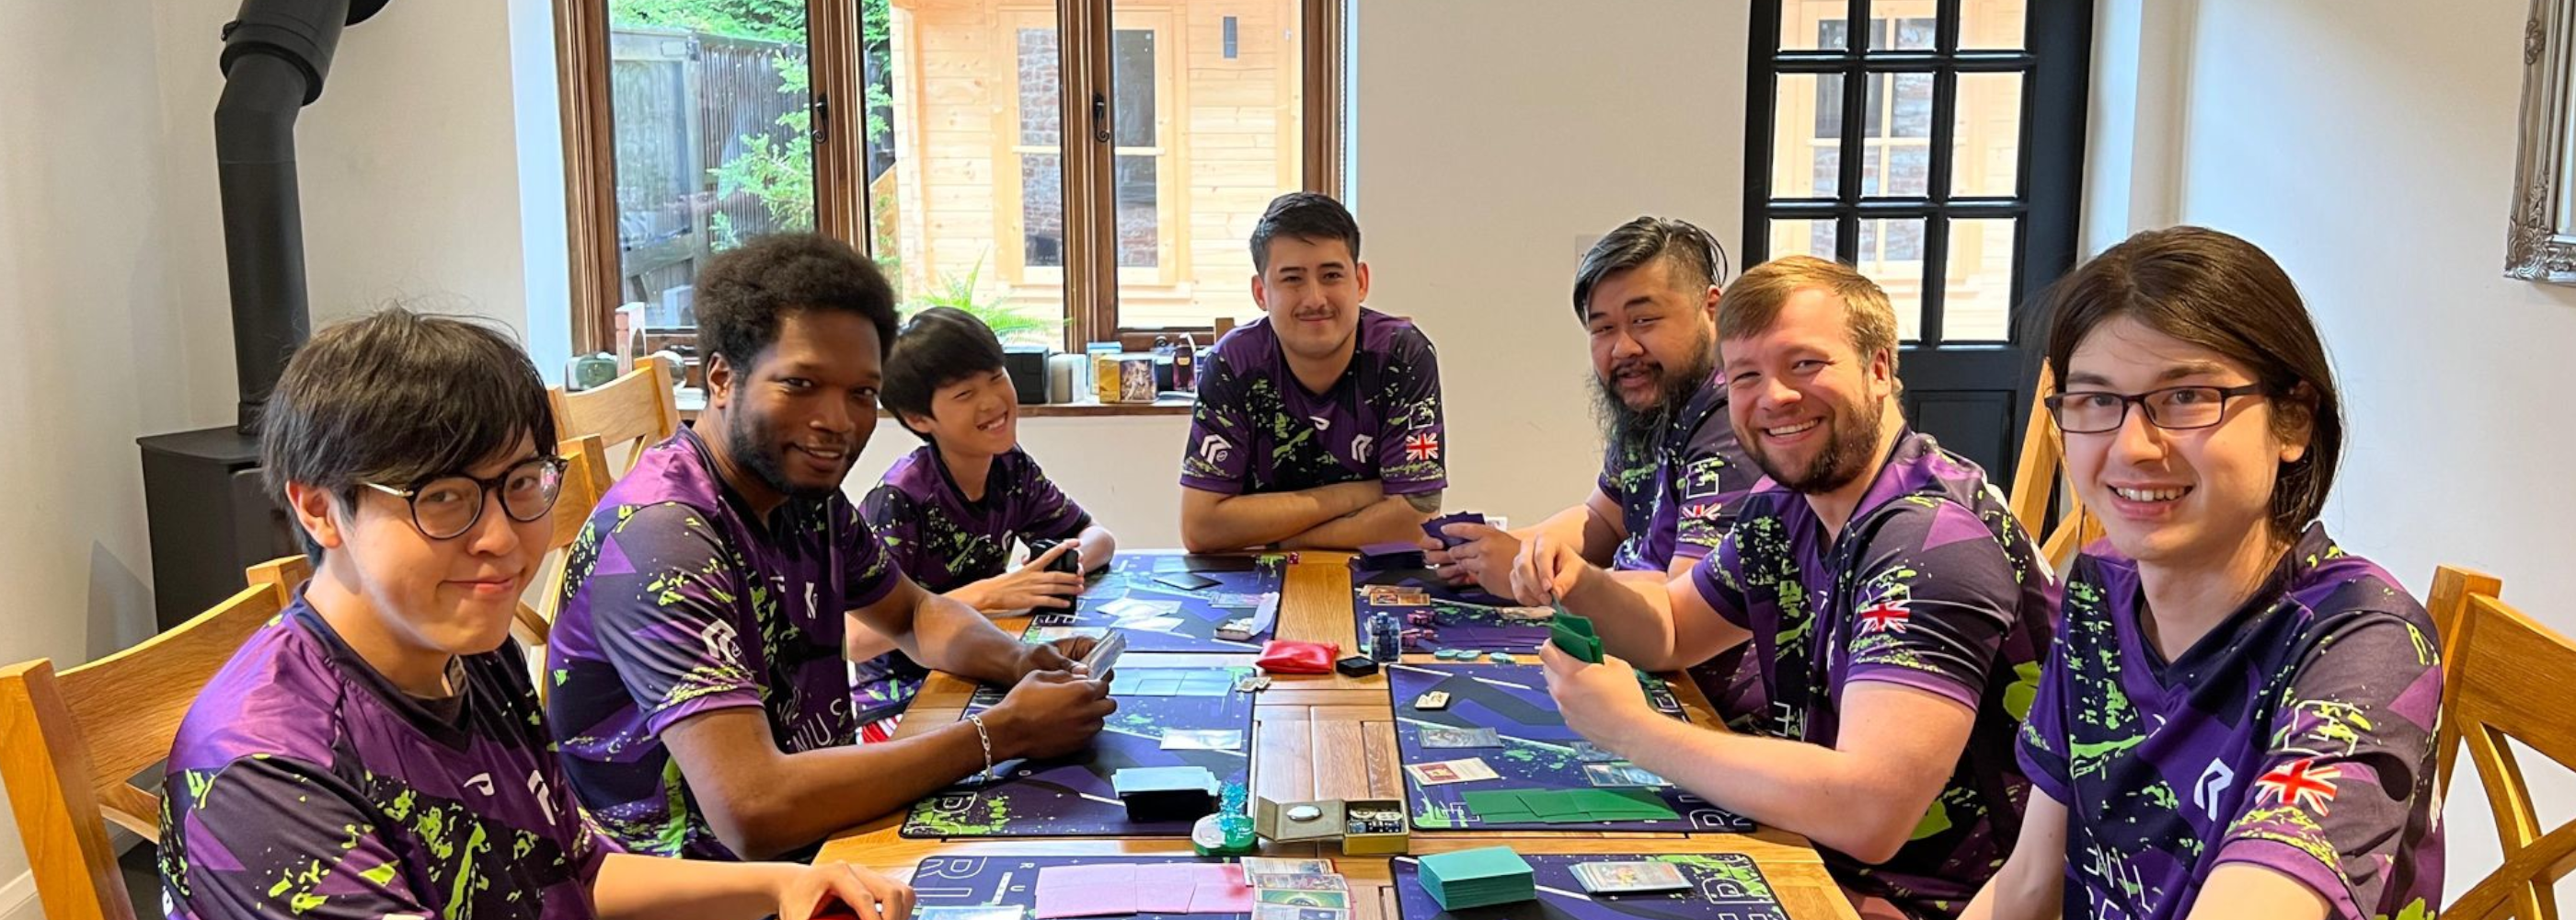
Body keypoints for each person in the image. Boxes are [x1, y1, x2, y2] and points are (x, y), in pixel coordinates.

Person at [158, 309, 914, 920]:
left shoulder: (468, 651)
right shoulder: (264, 772)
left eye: (521, 482)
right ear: (321, 509)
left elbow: (573, 869)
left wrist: (784, 885)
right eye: (442, 497)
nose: (499, 540)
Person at [546, 234, 1115, 862]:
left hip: (822, 840)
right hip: (718, 885)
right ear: (722, 378)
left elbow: (913, 614)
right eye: (801, 384)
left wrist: (1022, 661)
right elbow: (754, 809)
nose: (838, 421)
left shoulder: (800, 493)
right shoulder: (661, 540)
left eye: (861, 394)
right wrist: (1000, 734)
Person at [1517, 256, 2053, 920]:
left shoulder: (1929, 541)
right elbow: (1673, 631)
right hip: (1820, 853)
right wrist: (1578, 581)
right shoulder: (1787, 506)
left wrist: (1632, 730)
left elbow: (1869, 811)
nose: (1774, 397)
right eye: (1746, 376)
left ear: (1879, 369)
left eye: (1804, 364)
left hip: (1928, 899)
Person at [1962, 227, 2442, 920]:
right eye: (2096, 400)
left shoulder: (2360, 639)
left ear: (2293, 420)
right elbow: (2031, 880)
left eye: (2187, 396)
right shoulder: (2101, 585)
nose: (2133, 446)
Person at [1432, 215, 1765, 726]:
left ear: (1711, 309)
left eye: (1644, 320)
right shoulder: (1651, 404)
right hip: (1636, 664)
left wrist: (1544, 575)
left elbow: (1681, 607)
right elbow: (1603, 519)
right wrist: (1500, 550)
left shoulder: (1729, 425)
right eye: (1603, 328)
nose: (1623, 348)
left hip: (1711, 710)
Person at [857, 305, 1117, 740]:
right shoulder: (900, 499)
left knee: (1089, 718)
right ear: (919, 419)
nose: (993, 401)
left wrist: (1056, 570)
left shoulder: (1009, 467)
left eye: (996, 376)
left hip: (982, 669)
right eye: (964, 394)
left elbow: (1098, 537)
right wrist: (993, 593)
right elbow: (857, 638)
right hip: (900, 699)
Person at [1178, 191, 1448, 551]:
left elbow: (1416, 518)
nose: (1315, 299)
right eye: (1292, 279)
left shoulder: (1403, 356)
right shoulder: (1233, 363)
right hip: (1257, 579)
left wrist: (1281, 542)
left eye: (1331, 275)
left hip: (1369, 572)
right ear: (1261, 292)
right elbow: (1200, 528)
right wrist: (1356, 494)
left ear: (1361, 282)